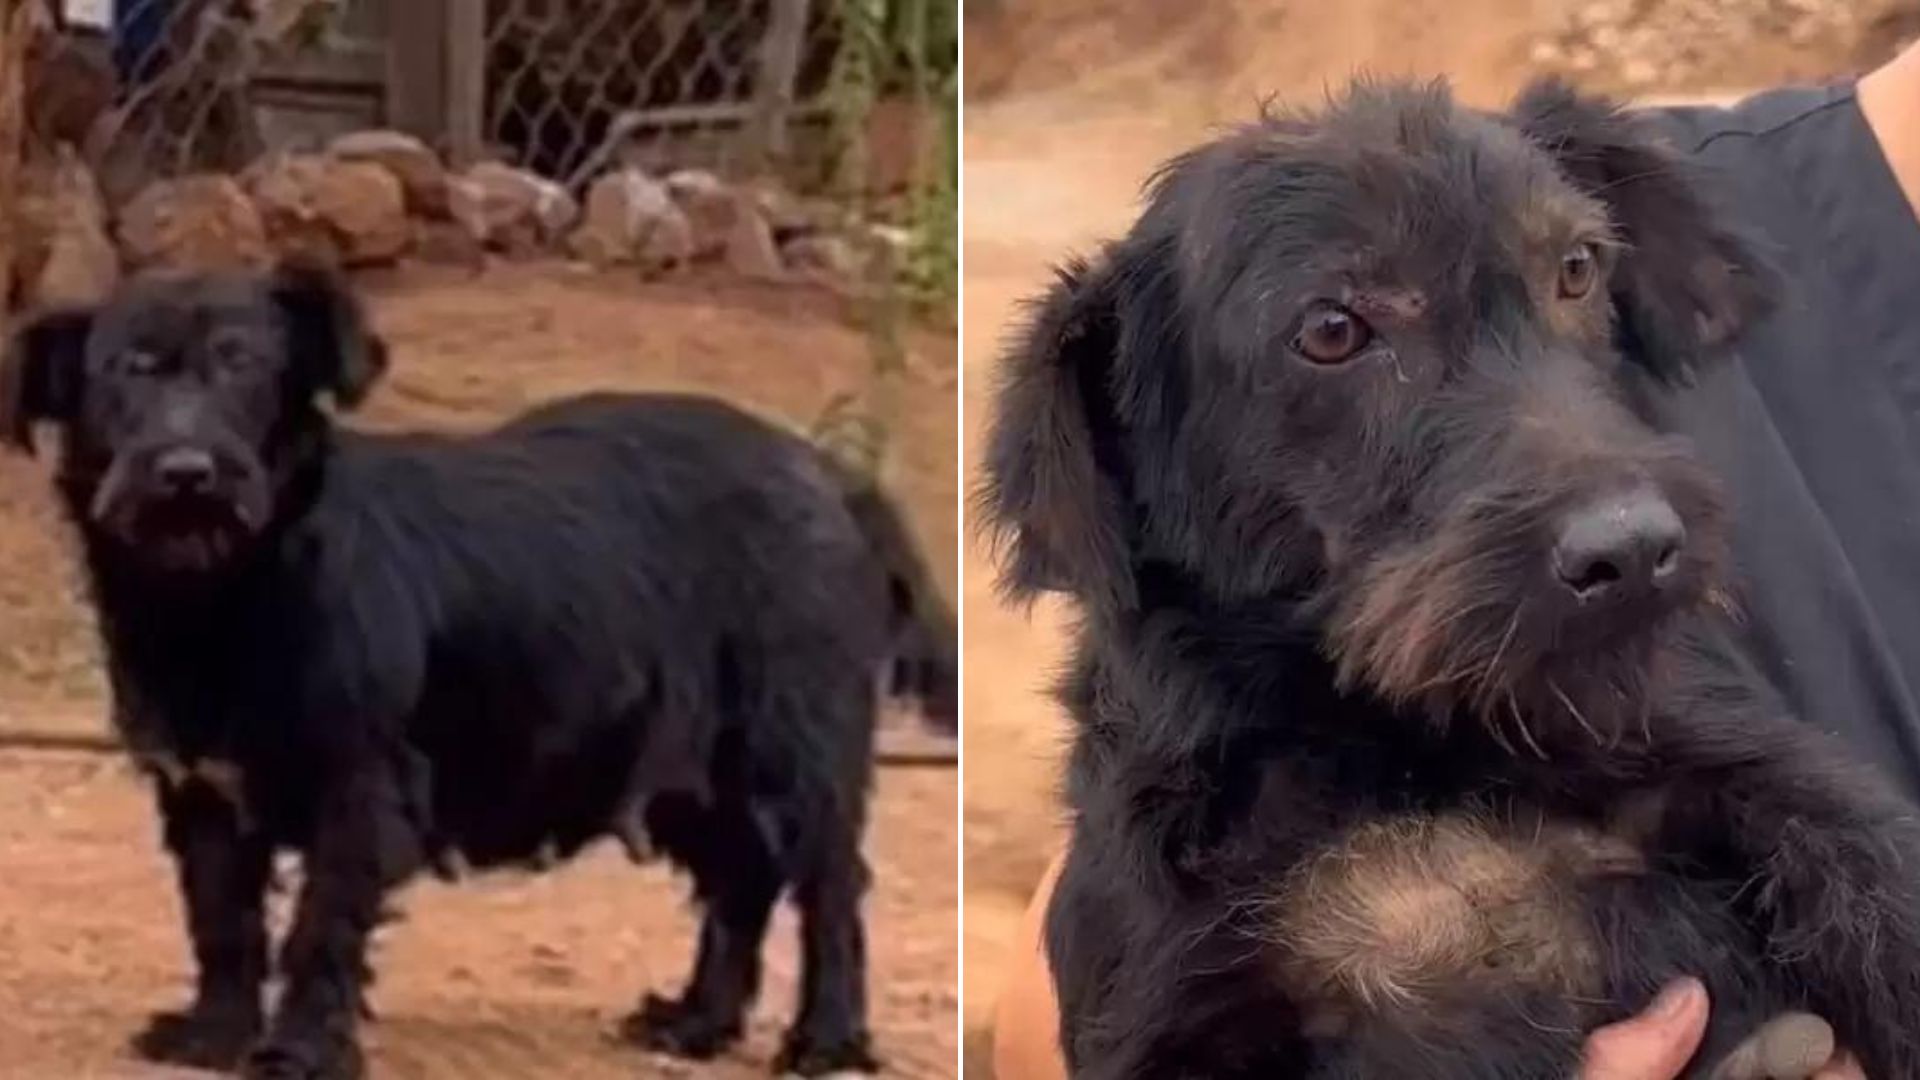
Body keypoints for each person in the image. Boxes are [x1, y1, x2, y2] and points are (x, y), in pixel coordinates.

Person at [990, 34, 1920, 1080]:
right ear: (1123, 459)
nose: (1623, 514)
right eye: (1339, 335)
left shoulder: (1732, 780)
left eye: (1571, 276)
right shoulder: (1212, 886)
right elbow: (1060, 1020)